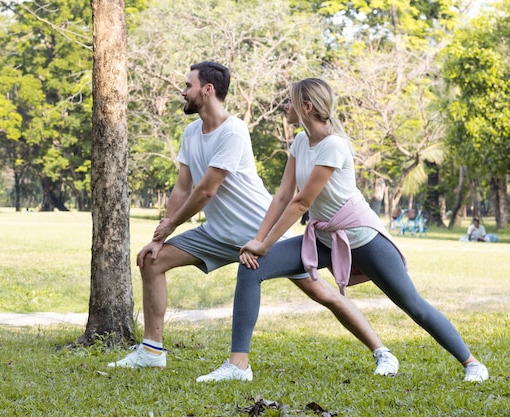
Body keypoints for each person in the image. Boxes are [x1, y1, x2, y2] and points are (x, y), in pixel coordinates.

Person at [108, 62, 399, 377]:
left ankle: (382, 352)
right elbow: (183, 186)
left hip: (260, 232)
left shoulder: (234, 131)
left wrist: (173, 223)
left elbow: (206, 189)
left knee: (321, 292)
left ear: (208, 90)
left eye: (188, 85)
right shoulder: (192, 132)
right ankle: (152, 351)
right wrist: (160, 234)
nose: (183, 90)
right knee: (152, 260)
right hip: (216, 234)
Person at [197, 78, 489, 383]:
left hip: (362, 238)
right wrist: (257, 242)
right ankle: (238, 365)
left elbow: (300, 203)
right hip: (323, 238)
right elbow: (283, 196)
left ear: (306, 107)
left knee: (412, 305)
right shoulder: (300, 141)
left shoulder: (334, 145)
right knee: (251, 268)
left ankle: (472, 363)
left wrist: (265, 244)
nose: (286, 106)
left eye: (291, 101)